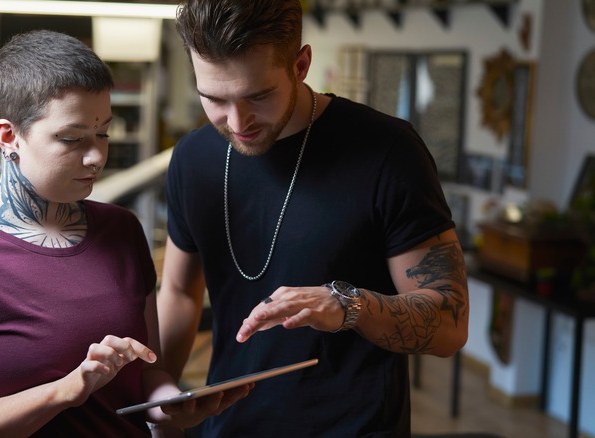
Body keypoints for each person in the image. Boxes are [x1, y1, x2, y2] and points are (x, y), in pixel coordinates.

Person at [0, 29, 249, 437]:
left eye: (103, 134)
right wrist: (64, 391)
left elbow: (146, 374)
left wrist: (171, 405)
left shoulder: (123, 231)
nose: (96, 156)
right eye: (72, 139)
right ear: (9, 137)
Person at [157, 0, 470, 436]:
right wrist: (160, 397)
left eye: (258, 96)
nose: (236, 121)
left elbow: (450, 325)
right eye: (213, 98)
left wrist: (348, 305)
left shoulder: (388, 152)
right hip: (229, 427)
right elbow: (178, 291)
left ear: (301, 64)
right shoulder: (193, 158)